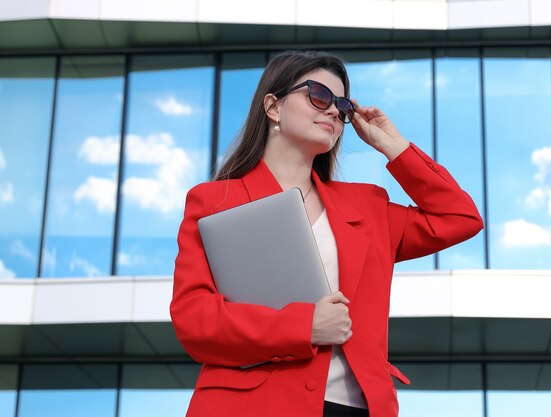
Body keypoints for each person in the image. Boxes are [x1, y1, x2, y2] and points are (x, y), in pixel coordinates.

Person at [170, 50, 483, 417]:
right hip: (253, 405)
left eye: (343, 105)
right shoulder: (215, 201)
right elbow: (195, 320)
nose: (334, 110)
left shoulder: (368, 207)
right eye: (318, 95)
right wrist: (303, 325)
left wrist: (391, 145)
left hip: (357, 407)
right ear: (273, 106)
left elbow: (460, 217)